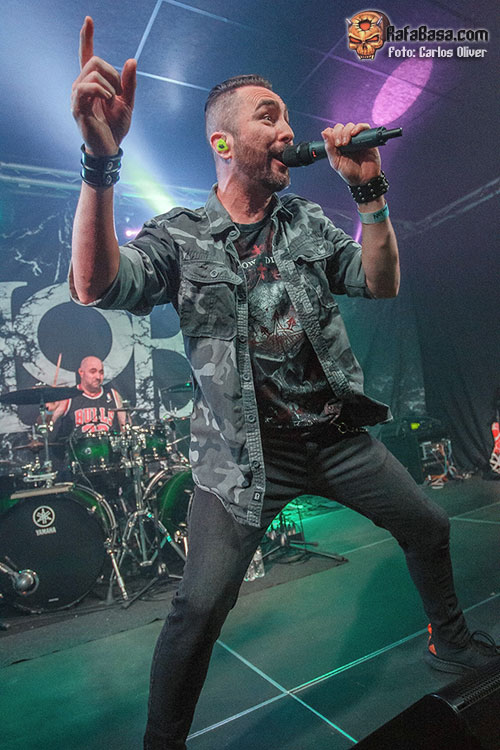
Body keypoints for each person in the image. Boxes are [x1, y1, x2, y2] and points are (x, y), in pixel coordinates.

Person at [70, 17, 499, 750]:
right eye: (268, 117)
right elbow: (95, 285)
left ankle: (450, 640)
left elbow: (380, 281)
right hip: (240, 458)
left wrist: (370, 196)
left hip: (334, 438)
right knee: (198, 610)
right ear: (223, 143)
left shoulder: (306, 220)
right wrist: (101, 162)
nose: (288, 131)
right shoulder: (181, 234)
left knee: (428, 525)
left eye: (288, 118)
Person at [47, 355, 127, 435]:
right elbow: (47, 426)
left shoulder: (113, 395)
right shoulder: (68, 397)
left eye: (101, 372)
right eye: (93, 372)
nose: (98, 377)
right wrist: (49, 412)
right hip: (77, 442)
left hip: (107, 442)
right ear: (81, 372)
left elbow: (126, 428)